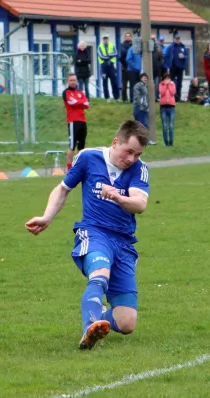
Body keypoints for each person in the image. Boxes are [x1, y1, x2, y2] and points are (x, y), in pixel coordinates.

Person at [25, 120, 151, 350]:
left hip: (123, 242)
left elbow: (140, 204)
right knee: (100, 273)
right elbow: (63, 189)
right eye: (129, 151)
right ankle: (89, 327)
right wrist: (47, 217)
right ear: (116, 142)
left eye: (137, 154)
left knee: (127, 323)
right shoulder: (88, 158)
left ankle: (101, 317)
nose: (132, 158)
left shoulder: (139, 168)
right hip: (94, 232)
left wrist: (118, 198)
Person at [62, 73, 90, 171]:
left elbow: (87, 104)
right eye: (71, 80)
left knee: (81, 146)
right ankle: (69, 168)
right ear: (67, 81)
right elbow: (71, 102)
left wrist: (79, 102)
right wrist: (80, 102)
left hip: (82, 120)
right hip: (73, 121)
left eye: (74, 80)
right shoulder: (66, 92)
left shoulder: (80, 92)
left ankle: (78, 167)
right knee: (72, 145)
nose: (73, 82)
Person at [97, 34, 119, 102]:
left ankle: (116, 98)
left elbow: (116, 53)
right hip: (104, 66)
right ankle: (107, 98)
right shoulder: (100, 46)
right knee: (105, 82)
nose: (105, 40)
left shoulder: (112, 45)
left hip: (111, 66)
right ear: (103, 39)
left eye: (106, 38)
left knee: (114, 82)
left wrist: (108, 55)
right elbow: (101, 56)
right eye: (104, 39)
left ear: (108, 39)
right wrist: (110, 56)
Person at [166, 34, 188, 102]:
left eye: (178, 38)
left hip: (180, 67)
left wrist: (184, 56)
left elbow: (187, 56)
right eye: (176, 39)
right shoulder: (170, 47)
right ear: (174, 39)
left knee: (179, 83)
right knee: (171, 83)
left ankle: (178, 98)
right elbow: (166, 56)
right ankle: (171, 97)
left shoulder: (183, 46)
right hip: (173, 67)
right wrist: (168, 65)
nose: (177, 40)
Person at [159, 73, 176, 147]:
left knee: (171, 125)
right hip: (163, 107)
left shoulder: (172, 84)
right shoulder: (161, 84)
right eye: (165, 78)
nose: (167, 80)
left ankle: (171, 142)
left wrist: (169, 85)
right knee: (165, 126)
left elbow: (173, 93)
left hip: (171, 107)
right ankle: (166, 142)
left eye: (168, 78)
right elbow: (162, 93)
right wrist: (165, 85)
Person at [119, 33, 133, 103]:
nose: (128, 37)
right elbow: (123, 54)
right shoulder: (122, 45)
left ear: (131, 37)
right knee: (124, 84)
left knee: (132, 84)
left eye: (129, 36)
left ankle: (132, 99)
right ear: (125, 37)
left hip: (132, 67)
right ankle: (124, 99)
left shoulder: (133, 45)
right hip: (125, 67)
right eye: (126, 36)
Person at [151, 34, 165, 101]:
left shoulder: (159, 47)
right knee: (150, 85)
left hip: (157, 70)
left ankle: (156, 97)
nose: (153, 40)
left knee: (157, 85)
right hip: (150, 70)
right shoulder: (148, 47)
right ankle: (150, 98)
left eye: (154, 38)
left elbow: (162, 58)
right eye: (152, 38)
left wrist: (160, 65)